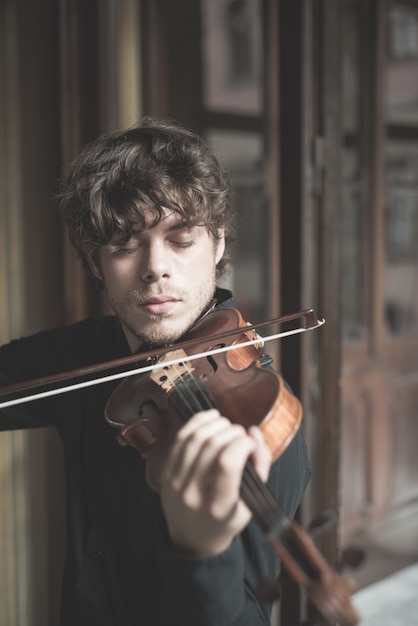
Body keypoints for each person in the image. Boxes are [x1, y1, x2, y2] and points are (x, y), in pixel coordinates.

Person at [0, 118, 310, 626]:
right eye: (125, 246)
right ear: (96, 263)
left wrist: (204, 547)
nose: (155, 268)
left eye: (181, 240)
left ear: (218, 243)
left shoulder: (258, 418)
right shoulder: (88, 352)